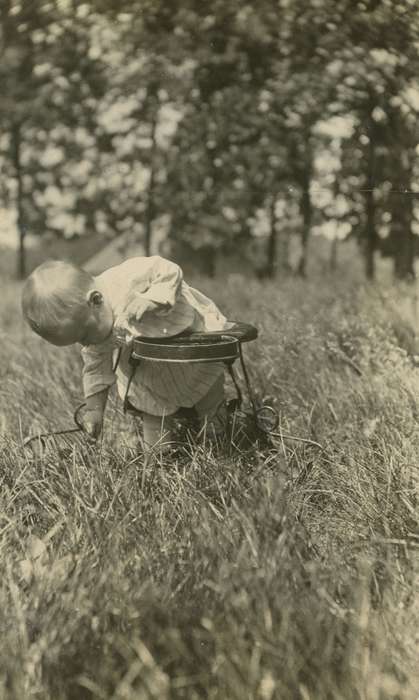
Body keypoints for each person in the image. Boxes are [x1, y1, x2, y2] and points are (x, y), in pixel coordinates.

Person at [21, 255, 232, 457]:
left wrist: (154, 299)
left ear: (95, 300)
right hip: (147, 367)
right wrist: (94, 410)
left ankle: (216, 441)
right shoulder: (94, 329)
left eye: (84, 335)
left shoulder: (127, 279)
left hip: (189, 341)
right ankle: (159, 454)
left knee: (209, 394)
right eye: (78, 340)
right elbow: (95, 368)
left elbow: (167, 269)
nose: (86, 343)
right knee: (151, 404)